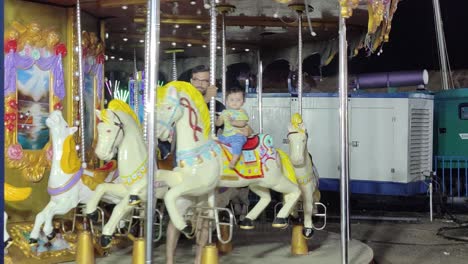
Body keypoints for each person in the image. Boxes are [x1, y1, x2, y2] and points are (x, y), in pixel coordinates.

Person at [215, 87, 249, 169]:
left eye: (238, 100)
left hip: (237, 135)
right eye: (232, 100)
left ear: (243, 102)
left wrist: (233, 122)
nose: (235, 102)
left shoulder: (242, 112)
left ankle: (234, 161)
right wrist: (215, 119)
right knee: (215, 141)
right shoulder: (225, 112)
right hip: (225, 135)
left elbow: (243, 123)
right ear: (227, 101)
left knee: (237, 144)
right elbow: (219, 123)